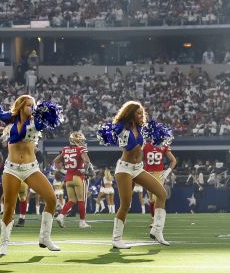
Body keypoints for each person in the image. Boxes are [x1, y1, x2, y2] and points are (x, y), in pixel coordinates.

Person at [0, 91, 64, 255]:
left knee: (51, 199)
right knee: (9, 207)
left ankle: (45, 238)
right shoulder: (9, 119)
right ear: (21, 106)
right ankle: (4, 243)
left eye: (33, 105)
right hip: (12, 169)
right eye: (29, 105)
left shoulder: (36, 122)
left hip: (31, 168)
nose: (32, 108)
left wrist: (49, 113)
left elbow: (43, 124)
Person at [100, 100, 171, 249]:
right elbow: (111, 132)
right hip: (124, 168)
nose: (141, 115)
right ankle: (116, 239)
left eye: (142, 113)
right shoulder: (121, 126)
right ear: (131, 113)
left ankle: (157, 230)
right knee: (126, 204)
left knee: (162, 194)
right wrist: (111, 134)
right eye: (138, 113)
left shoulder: (141, 128)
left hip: (138, 168)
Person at [56, 130, 91, 228]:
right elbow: (87, 161)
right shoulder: (81, 149)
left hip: (68, 178)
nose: (82, 142)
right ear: (77, 141)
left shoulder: (65, 149)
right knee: (81, 200)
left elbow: (56, 161)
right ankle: (82, 222)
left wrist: (62, 170)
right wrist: (85, 170)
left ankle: (61, 215)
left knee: (71, 199)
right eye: (80, 140)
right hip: (78, 177)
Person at [141, 136, 177, 227]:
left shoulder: (164, 146)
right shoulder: (145, 146)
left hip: (158, 174)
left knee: (156, 197)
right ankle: (154, 219)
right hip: (148, 174)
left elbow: (173, 161)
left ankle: (157, 220)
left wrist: (167, 171)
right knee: (152, 200)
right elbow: (137, 159)